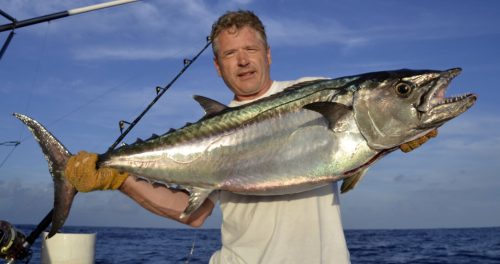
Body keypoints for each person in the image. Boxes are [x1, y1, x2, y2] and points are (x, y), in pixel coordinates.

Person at [65, 10, 437, 264]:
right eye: (230, 54)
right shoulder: (209, 129)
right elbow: (193, 215)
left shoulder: (314, 91)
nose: (243, 61)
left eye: (250, 49)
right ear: (217, 66)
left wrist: (395, 138)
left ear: (268, 54)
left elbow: (347, 146)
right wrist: (117, 178)